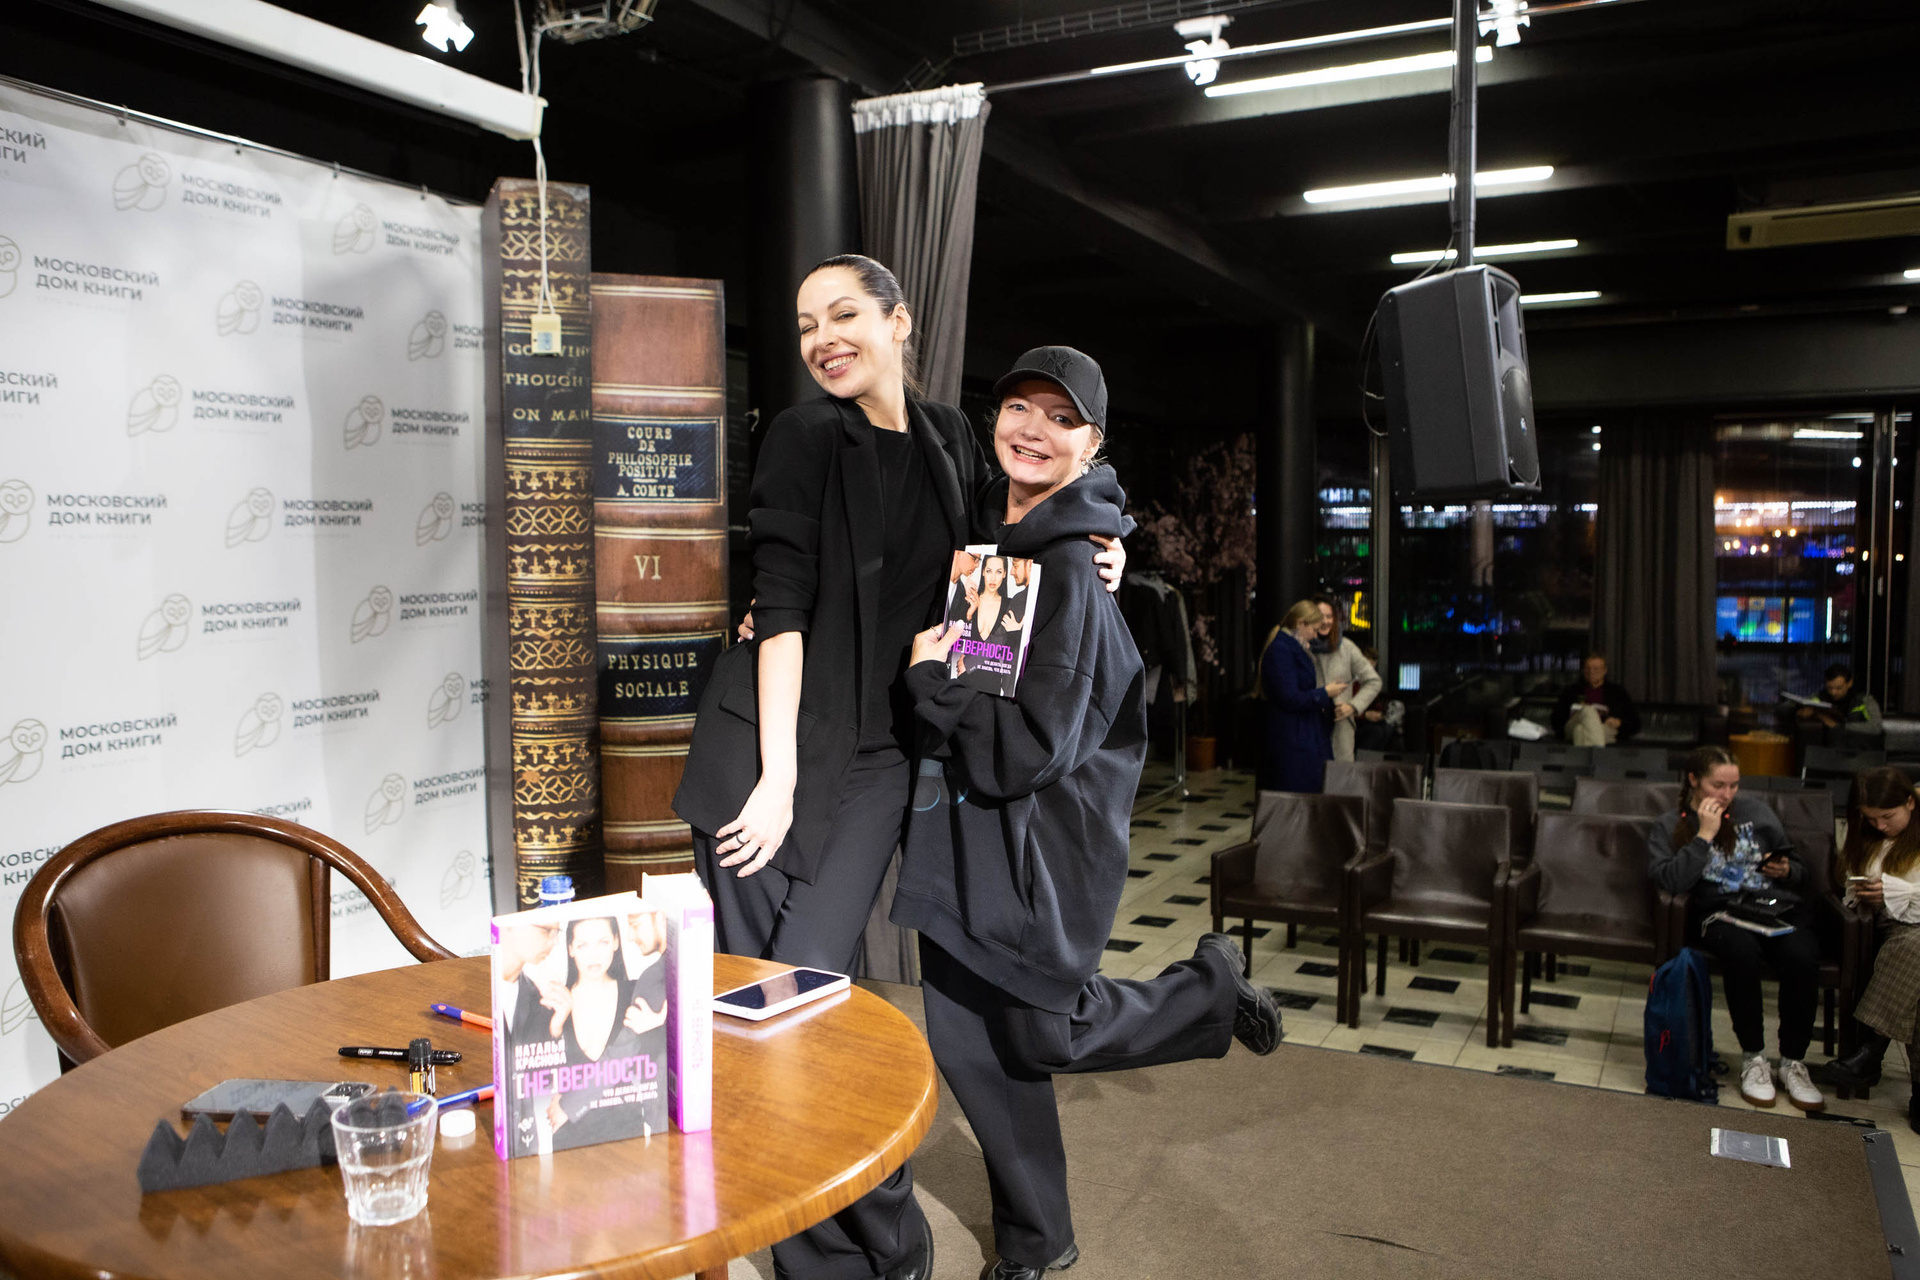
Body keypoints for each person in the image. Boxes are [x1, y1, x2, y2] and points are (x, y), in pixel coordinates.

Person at [673, 255, 1121, 1280]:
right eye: (805, 323)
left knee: (804, 1000)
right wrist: (777, 781)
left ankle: (878, 1239)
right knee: (768, 1016)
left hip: (879, 761)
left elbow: (1018, 526)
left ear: (897, 322)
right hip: (766, 758)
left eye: (844, 314)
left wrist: (1106, 545)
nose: (823, 337)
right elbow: (780, 611)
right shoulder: (802, 436)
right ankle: (859, 1254)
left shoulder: (951, 437)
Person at [894, 346, 1281, 1280]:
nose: (1033, 428)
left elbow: (1028, 749)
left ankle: (1208, 991)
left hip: (1041, 845)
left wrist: (930, 683)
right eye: (1019, 407)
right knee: (968, 1042)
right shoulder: (990, 529)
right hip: (965, 830)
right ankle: (1037, 1239)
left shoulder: (1071, 569)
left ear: (1093, 443)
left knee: (1041, 1031)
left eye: (1061, 418)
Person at [1648, 745, 1824, 1111]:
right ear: (1694, 780)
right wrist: (1704, 836)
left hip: (1771, 905)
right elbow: (1671, 881)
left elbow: (1799, 870)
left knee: (1802, 955)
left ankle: (1793, 1061)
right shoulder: (1670, 823)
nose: (1727, 794)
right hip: (1720, 912)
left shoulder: (1757, 813)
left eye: (1734, 785)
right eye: (1718, 785)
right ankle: (1754, 1058)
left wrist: (1786, 870)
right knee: (1741, 951)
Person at [1809, 767, 1920, 1124]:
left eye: (1888, 817)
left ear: (1910, 802)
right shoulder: (1865, 835)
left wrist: (1896, 890)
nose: (1880, 826)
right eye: (1872, 819)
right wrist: (1866, 891)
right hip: (1884, 929)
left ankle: (1870, 1052)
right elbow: (1847, 883)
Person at [542, 916, 668, 1147]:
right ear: (570, 948)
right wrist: (556, 1027)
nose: (594, 955)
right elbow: (535, 1073)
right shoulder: (556, 1000)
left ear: (616, 942)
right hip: (568, 1130)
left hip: (625, 1129)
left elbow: (655, 1055)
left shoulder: (637, 990)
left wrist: (662, 1023)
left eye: (603, 942)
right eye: (583, 945)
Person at [1257, 601, 1346, 792]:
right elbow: (1289, 697)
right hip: (1293, 736)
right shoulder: (1282, 650)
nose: (1315, 635)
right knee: (1299, 793)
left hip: (1299, 733)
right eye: (1313, 629)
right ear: (1300, 623)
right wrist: (1324, 693)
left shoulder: (1290, 647)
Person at [1310, 596, 1381, 762]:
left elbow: (1373, 681)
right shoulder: (1304, 646)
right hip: (1311, 724)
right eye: (1320, 616)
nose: (1325, 621)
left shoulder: (1346, 647)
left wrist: (1353, 706)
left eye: (1329, 616)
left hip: (1340, 728)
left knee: (1340, 775)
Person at [1551, 652, 1640, 746]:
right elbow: (1556, 720)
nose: (1591, 672)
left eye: (1596, 669)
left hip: (1604, 728)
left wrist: (1619, 723)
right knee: (1587, 710)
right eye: (1587, 668)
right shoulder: (1570, 691)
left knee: (1580, 731)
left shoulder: (1618, 692)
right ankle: (1598, 752)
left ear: (1604, 671)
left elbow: (1635, 723)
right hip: (1573, 726)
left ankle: (1590, 750)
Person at [1796, 663, 1883, 739]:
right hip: (1826, 747)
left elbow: (1876, 727)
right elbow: (1793, 707)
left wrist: (1839, 726)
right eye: (1829, 688)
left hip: (1859, 747)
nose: (1833, 692)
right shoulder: (1819, 698)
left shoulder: (1864, 700)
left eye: (1839, 688)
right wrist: (1801, 712)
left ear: (1849, 683)